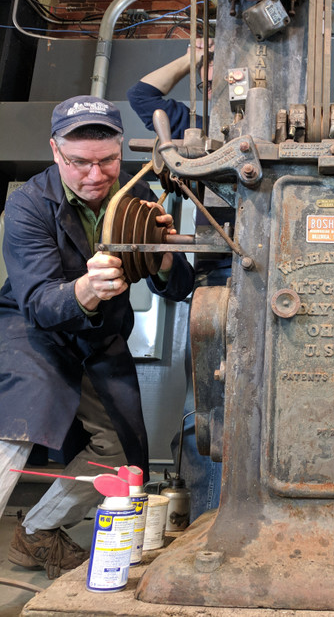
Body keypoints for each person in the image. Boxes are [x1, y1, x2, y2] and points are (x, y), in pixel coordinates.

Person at [0, 95, 195, 578]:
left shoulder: (137, 192)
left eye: (107, 160)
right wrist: (85, 290)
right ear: (55, 151)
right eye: (79, 163)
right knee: (20, 423)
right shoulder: (27, 205)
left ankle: (38, 533)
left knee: (121, 454)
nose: (95, 175)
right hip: (34, 330)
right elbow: (41, 301)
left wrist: (164, 256)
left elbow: (180, 285)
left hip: (101, 338)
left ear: (121, 148)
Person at [127, 41, 224, 522]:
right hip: (222, 275)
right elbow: (141, 95)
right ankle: (209, 521)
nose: (216, 84)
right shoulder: (194, 123)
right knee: (207, 404)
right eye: (209, 78)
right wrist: (194, 57)